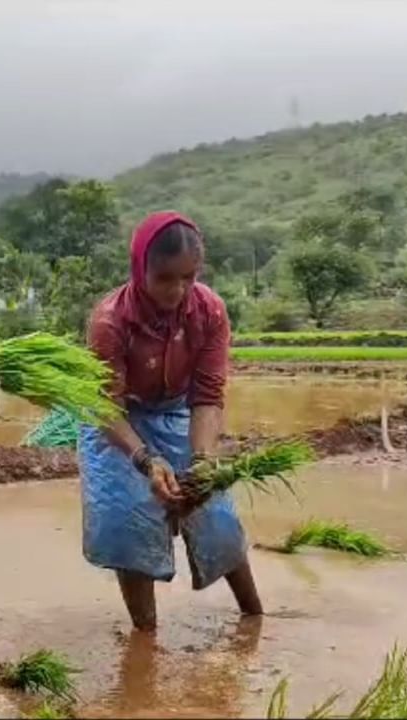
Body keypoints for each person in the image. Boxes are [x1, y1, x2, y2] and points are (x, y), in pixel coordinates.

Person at [77, 211, 263, 631]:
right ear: (139, 268)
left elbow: (207, 397)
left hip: (179, 411)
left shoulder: (209, 312)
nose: (177, 290)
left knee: (215, 513)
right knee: (129, 521)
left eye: (189, 277)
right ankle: (147, 640)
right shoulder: (110, 321)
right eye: (164, 278)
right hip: (119, 418)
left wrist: (202, 460)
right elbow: (106, 406)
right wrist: (146, 460)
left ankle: (255, 618)